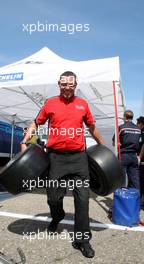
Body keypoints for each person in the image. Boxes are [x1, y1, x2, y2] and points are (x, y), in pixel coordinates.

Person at [21, 71, 104, 258]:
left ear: (75, 85)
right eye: (64, 84)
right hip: (56, 158)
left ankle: (82, 240)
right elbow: (36, 122)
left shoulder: (82, 105)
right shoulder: (50, 103)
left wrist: (103, 147)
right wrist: (25, 139)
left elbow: (91, 127)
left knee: (82, 200)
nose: (67, 87)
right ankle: (57, 215)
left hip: (78, 159)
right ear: (59, 84)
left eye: (71, 85)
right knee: (53, 198)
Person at [113, 110, 141, 189]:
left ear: (124, 117)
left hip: (123, 155)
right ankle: (135, 199)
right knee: (135, 179)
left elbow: (114, 142)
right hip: (134, 156)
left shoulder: (121, 128)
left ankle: (122, 198)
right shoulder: (138, 129)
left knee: (121, 178)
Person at [136, 116, 144, 205]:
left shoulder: (142, 133)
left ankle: (139, 201)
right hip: (141, 161)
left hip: (142, 161)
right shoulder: (140, 132)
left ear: (141, 124)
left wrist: (139, 157)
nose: (137, 125)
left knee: (141, 181)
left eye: (138, 123)